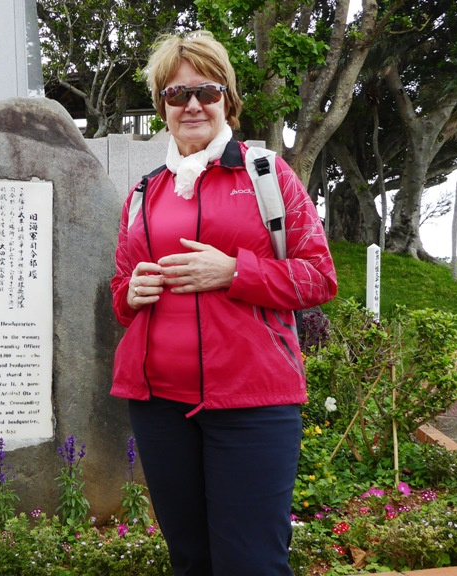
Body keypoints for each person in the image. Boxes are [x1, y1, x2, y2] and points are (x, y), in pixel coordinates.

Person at [110, 30, 338, 576]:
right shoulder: (144, 192)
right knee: (190, 560)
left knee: (251, 563)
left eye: (206, 91)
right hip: (159, 406)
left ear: (227, 100)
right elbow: (121, 291)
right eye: (176, 93)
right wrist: (130, 293)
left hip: (252, 403)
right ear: (162, 107)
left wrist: (235, 271)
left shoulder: (267, 175)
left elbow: (319, 277)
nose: (192, 104)